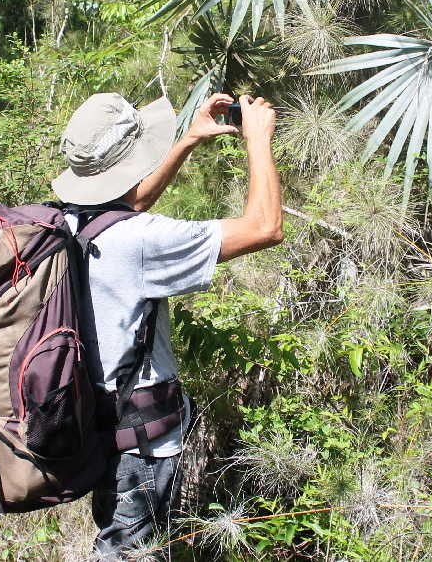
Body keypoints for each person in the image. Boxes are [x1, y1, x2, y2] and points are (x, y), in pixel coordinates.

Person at [49, 91, 282, 559]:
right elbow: (264, 227)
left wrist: (187, 141)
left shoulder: (67, 222)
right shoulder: (139, 241)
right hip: (140, 443)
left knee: (116, 534)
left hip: (92, 423)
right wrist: (258, 140)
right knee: (128, 552)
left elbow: (126, 206)